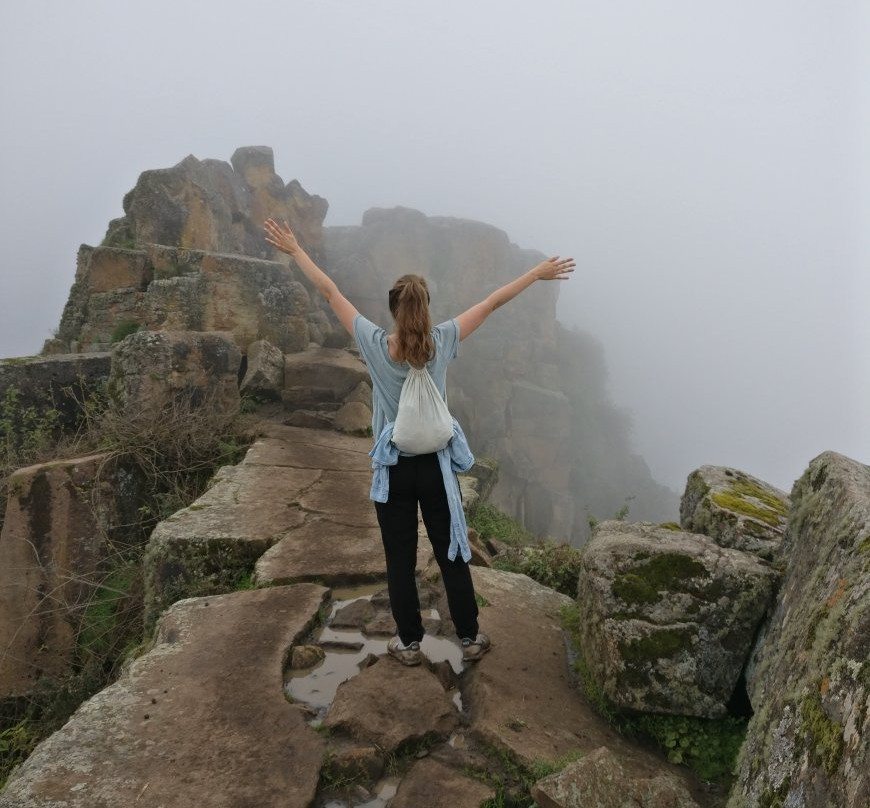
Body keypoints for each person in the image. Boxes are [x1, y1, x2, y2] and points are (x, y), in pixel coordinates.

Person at [264, 218, 574, 665]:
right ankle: (468, 638)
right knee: (450, 554)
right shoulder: (443, 340)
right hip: (435, 469)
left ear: (393, 310)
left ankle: (408, 643)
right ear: (427, 309)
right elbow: (491, 303)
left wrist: (295, 250)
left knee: (399, 559)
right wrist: (535, 274)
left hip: (393, 470)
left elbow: (330, 292)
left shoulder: (374, 344)